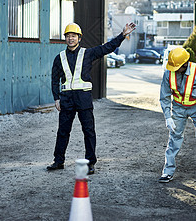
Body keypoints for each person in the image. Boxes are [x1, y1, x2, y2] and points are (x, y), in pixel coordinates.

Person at [47, 22, 136, 175]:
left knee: (88, 131)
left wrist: (123, 35)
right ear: (65, 39)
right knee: (63, 131)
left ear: (79, 38)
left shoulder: (88, 53)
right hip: (66, 100)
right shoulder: (59, 58)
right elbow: (54, 79)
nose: (70, 39)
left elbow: (108, 47)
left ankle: (90, 163)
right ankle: (58, 161)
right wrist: (56, 98)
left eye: (73, 36)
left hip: (83, 99)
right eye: (68, 36)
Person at [158, 47, 196, 185]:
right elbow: (164, 97)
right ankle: (167, 172)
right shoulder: (168, 73)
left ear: (184, 64)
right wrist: (167, 116)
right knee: (174, 138)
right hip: (178, 109)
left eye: (176, 67)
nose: (173, 69)